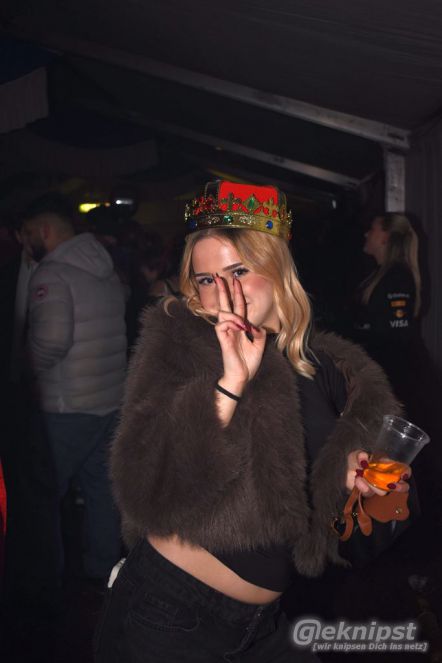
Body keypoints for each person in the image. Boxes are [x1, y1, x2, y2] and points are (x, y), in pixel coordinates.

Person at [95, 181, 411, 663]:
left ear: (277, 269)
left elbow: (334, 536)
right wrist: (229, 385)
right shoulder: (180, 343)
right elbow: (143, 488)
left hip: (266, 626)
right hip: (170, 613)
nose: (224, 292)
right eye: (206, 279)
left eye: (239, 271)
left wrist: (362, 492)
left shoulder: (330, 369)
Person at [22, 193, 127, 586]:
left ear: (45, 230)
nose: (24, 242)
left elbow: (50, 342)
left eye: (27, 233)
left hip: (65, 407)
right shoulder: (104, 268)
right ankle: (104, 573)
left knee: (42, 496)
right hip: (107, 402)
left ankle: (42, 582)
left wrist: (23, 374)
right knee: (100, 491)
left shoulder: (51, 274)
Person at [353, 212, 420, 398]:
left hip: (388, 382)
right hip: (377, 376)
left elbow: (394, 340)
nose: (366, 234)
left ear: (385, 237)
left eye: (372, 229)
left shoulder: (398, 278)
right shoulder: (379, 275)